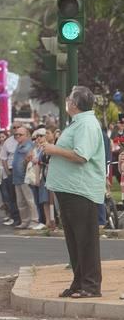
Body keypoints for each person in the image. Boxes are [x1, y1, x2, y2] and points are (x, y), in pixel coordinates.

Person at [42, 86, 106, 299]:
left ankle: (90, 285)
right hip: (70, 190)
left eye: (69, 98)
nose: (67, 101)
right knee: (75, 239)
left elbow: (81, 155)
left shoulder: (86, 124)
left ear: (75, 104)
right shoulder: (79, 123)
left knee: (85, 240)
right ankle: (79, 283)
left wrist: (53, 149)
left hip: (81, 190)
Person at [11, 126, 45, 230]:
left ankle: (34, 220)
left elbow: (32, 159)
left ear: (27, 135)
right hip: (17, 178)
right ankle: (25, 221)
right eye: (16, 134)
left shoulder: (30, 145)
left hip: (25, 177)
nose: (17, 136)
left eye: (20, 134)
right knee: (21, 202)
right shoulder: (18, 145)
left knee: (30, 200)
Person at [0, 125, 21, 226]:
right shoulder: (8, 142)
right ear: (11, 129)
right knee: (12, 196)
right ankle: (15, 217)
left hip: (22, 171)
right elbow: (3, 158)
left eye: (18, 127)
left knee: (23, 196)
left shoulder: (25, 140)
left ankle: (24, 217)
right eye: (14, 127)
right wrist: (7, 172)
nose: (16, 129)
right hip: (11, 171)